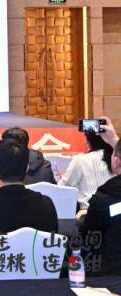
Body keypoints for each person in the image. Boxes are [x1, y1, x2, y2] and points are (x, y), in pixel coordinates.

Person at [81, 117, 121, 275]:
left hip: (110, 273)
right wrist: (114, 140)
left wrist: (82, 218)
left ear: (116, 161)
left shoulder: (104, 198)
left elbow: (89, 232)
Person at [59, 126, 114, 209]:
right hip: (116, 209)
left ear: (88, 140)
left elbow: (63, 187)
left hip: (90, 211)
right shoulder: (114, 156)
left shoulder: (81, 160)